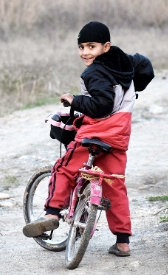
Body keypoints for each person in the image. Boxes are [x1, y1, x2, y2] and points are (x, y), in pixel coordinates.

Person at [22, 21, 154, 257]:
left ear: (106, 46)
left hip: (95, 135)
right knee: (115, 187)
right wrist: (134, 88)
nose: (85, 52)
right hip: (119, 138)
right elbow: (146, 66)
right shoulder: (126, 63)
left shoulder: (93, 72)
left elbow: (101, 106)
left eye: (91, 46)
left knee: (64, 169)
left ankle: (52, 213)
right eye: (81, 47)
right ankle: (123, 242)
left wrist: (74, 100)